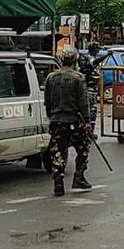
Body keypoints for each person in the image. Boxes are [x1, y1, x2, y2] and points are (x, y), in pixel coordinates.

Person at [44, 46, 92, 196]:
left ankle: (58, 183)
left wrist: (51, 117)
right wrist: (87, 121)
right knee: (83, 148)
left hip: (56, 120)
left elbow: (47, 101)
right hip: (73, 120)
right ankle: (79, 177)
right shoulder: (78, 78)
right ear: (74, 60)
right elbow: (83, 102)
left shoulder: (51, 77)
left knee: (57, 151)